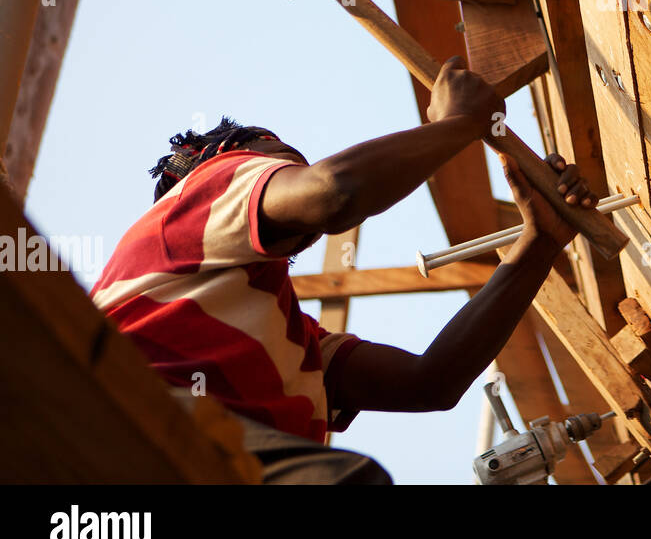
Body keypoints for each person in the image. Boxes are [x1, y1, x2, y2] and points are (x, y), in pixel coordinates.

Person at [90, 57, 593, 484]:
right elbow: (334, 191)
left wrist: (541, 240)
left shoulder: (289, 341)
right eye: (283, 166)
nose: (289, 178)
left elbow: (429, 383)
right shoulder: (202, 190)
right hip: (129, 430)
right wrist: (458, 123)